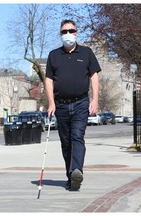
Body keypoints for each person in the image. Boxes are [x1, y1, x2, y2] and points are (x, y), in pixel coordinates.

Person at [45, 19, 101, 191]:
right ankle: (71, 176)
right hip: (61, 105)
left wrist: (95, 99)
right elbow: (48, 80)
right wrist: (51, 103)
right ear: (60, 34)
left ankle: (77, 170)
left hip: (80, 103)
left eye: (71, 30)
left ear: (76, 33)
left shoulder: (86, 53)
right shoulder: (54, 55)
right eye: (64, 31)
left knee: (77, 136)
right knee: (66, 142)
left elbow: (94, 76)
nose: (68, 34)